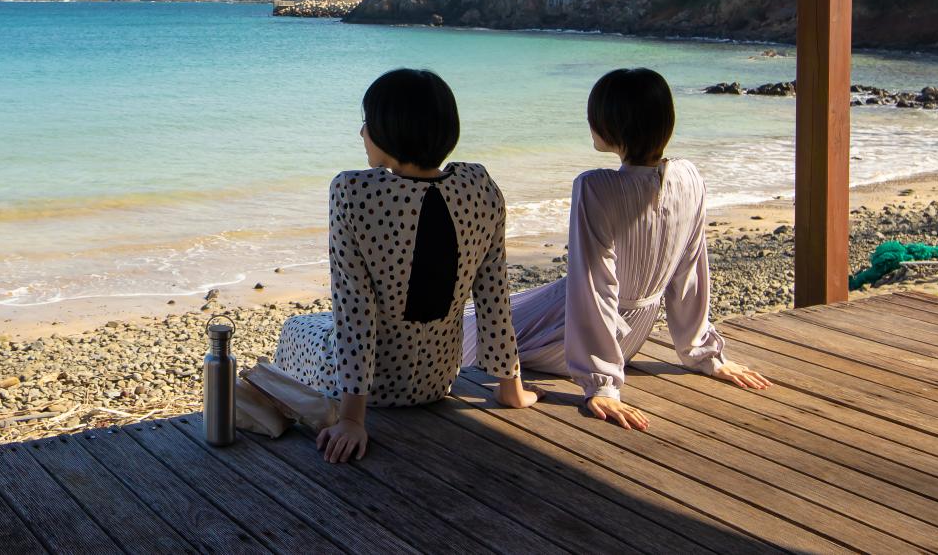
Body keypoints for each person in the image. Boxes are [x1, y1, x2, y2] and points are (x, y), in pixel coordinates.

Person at [461, 67, 770, 430]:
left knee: (467, 329)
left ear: (610, 126)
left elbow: (595, 287)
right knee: (480, 316)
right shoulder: (689, 177)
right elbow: (689, 271)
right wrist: (703, 353)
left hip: (577, 333)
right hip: (630, 337)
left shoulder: (596, 187)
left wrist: (602, 383)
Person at [272, 68, 537, 464]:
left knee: (297, 326)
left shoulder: (354, 192)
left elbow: (355, 309)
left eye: (367, 123)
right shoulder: (479, 185)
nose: (361, 133)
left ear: (390, 129)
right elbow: (493, 292)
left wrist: (352, 420)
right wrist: (511, 387)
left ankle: (309, 409)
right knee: (326, 322)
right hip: (437, 382)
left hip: (372, 391)